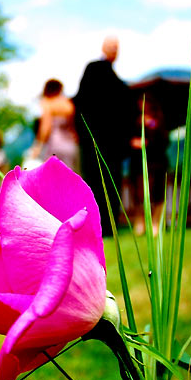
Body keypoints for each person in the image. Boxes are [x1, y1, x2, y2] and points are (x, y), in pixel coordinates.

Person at [72, 36, 137, 236]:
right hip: (95, 141)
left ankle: (109, 226)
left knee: (111, 182)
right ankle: (96, 226)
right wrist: (83, 134)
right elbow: (81, 103)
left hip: (113, 144)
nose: (114, 50)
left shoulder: (116, 81)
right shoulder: (94, 70)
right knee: (95, 182)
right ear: (103, 48)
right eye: (111, 47)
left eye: (117, 47)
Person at [129, 95, 168, 235]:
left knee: (157, 193)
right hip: (139, 163)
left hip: (156, 162)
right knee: (140, 194)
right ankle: (140, 222)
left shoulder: (158, 121)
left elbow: (163, 139)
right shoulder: (135, 120)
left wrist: (148, 143)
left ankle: (156, 222)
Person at [28, 79, 79, 172]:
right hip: (71, 145)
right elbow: (73, 126)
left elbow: (46, 126)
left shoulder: (47, 102)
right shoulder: (68, 104)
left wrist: (38, 145)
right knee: (71, 175)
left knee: (54, 177)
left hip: (54, 145)